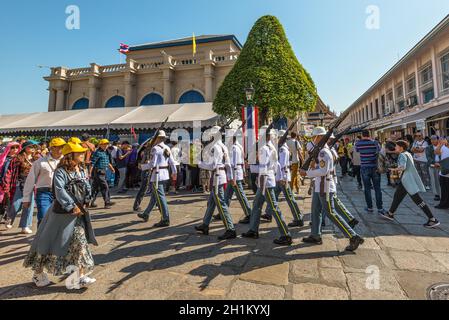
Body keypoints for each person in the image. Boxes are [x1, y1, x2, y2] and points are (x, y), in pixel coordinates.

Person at [23, 142, 98, 288]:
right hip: (60, 215)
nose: (83, 154)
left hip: (78, 215)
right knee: (48, 243)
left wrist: (88, 199)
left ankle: (80, 276)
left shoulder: (82, 169)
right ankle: (38, 274)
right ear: (71, 155)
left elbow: (87, 185)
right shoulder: (61, 171)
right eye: (79, 152)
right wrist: (71, 206)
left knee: (80, 242)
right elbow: (59, 190)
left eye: (83, 152)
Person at [300, 127, 364, 252]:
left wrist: (307, 173)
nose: (313, 140)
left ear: (319, 137)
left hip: (325, 186)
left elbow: (324, 171)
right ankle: (315, 235)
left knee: (331, 213)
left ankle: (353, 236)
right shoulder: (320, 151)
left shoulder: (324, 152)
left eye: (314, 137)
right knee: (315, 211)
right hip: (319, 186)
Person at [242, 126, 292, 246]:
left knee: (274, 208)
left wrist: (251, 167)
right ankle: (253, 230)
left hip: (265, 182)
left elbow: (263, 167)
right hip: (266, 180)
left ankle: (286, 234)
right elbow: (276, 166)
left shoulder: (264, 148)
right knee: (256, 205)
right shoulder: (271, 147)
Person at [378, 140, 440, 228]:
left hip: (407, 181)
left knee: (418, 200)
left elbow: (402, 167)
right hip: (405, 181)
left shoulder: (402, 155)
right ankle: (390, 213)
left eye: (396, 146)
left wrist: (393, 170)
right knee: (397, 196)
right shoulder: (407, 153)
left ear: (401, 147)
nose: (395, 148)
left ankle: (432, 219)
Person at [194, 126, 237, 241]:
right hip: (220, 176)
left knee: (221, 204)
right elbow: (228, 165)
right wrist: (231, 178)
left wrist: (200, 164)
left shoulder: (215, 147)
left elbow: (213, 166)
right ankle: (205, 225)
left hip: (217, 177)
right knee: (211, 203)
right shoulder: (223, 146)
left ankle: (230, 229)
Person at [264, 130, 305, 228]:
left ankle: (298, 218)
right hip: (279, 176)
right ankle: (268, 213)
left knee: (289, 198)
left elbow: (282, 165)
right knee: (274, 194)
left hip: (282, 177)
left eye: (277, 138)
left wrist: (281, 178)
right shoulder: (280, 148)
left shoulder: (283, 150)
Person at [22, 138, 66, 227]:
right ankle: (41, 239)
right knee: (43, 218)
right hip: (44, 193)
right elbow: (30, 180)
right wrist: (26, 198)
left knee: (60, 219)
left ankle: (54, 239)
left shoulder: (66, 162)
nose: (61, 149)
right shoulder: (40, 162)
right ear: (51, 148)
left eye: (62, 146)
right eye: (58, 147)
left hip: (62, 193)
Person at [137, 131, 177, 228]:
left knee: (160, 197)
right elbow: (172, 162)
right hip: (165, 174)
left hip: (157, 175)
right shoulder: (167, 147)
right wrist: (174, 172)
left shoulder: (155, 149)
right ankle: (146, 213)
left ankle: (165, 218)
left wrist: (142, 167)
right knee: (155, 197)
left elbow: (152, 164)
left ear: (158, 138)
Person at [3, 140, 39, 234]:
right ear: (24, 148)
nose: (32, 148)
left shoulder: (37, 159)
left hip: (32, 185)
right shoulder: (17, 158)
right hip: (19, 184)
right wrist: (6, 185)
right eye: (30, 146)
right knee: (16, 205)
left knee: (29, 206)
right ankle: (9, 217)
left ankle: (25, 226)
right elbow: (10, 172)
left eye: (34, 147)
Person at [356, 130, 387, 215]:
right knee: (377, 188)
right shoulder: (375, 142)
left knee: (367, 188)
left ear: (362, 135)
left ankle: (370, 207)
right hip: (375, 167)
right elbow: (379, 151)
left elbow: (357, 150)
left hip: (364, 167)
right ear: (369, 135)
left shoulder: (358, 143)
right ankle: (380, 208)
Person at [90, 139, 115, 209]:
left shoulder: (106, 152)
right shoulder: (97, 152)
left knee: (95, 188)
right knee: (105, 186)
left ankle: (90, 202)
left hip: (103, 171)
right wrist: (89, 173)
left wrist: (112, 168)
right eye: (104, 144)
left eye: (106, 144)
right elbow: (92, 163)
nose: (105, 145)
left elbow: (107, 162)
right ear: (100, 145)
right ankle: (107, 203)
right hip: (98, 172)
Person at [0, 142, 21, 223]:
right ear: (8, 149)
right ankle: (6, 216)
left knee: (15, 203)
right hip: (4, 184)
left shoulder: (20, 158)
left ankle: (8, 216)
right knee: (4, 201)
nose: (15, 150)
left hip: (17, 184)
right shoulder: (3, 158)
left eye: (16, 147)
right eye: (12, 148)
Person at [435, 138, 449, 209]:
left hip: (446, 173)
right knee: (444, 190)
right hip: (443, 173)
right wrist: (440, 145)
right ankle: (443, 204)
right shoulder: (443, 148)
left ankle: (445, 204)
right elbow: (436, 152)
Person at [426, 136, 441, 202]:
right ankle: (436, 194)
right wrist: (434, 162)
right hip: (433, 166)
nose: (432, 141)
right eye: (431, 139)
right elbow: (428, 157)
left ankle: (442, 193)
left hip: (442, 165)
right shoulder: (428, 148)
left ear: (438, 139)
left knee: (441, 181)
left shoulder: (442, 146)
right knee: (434, 180)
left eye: (434, 139)